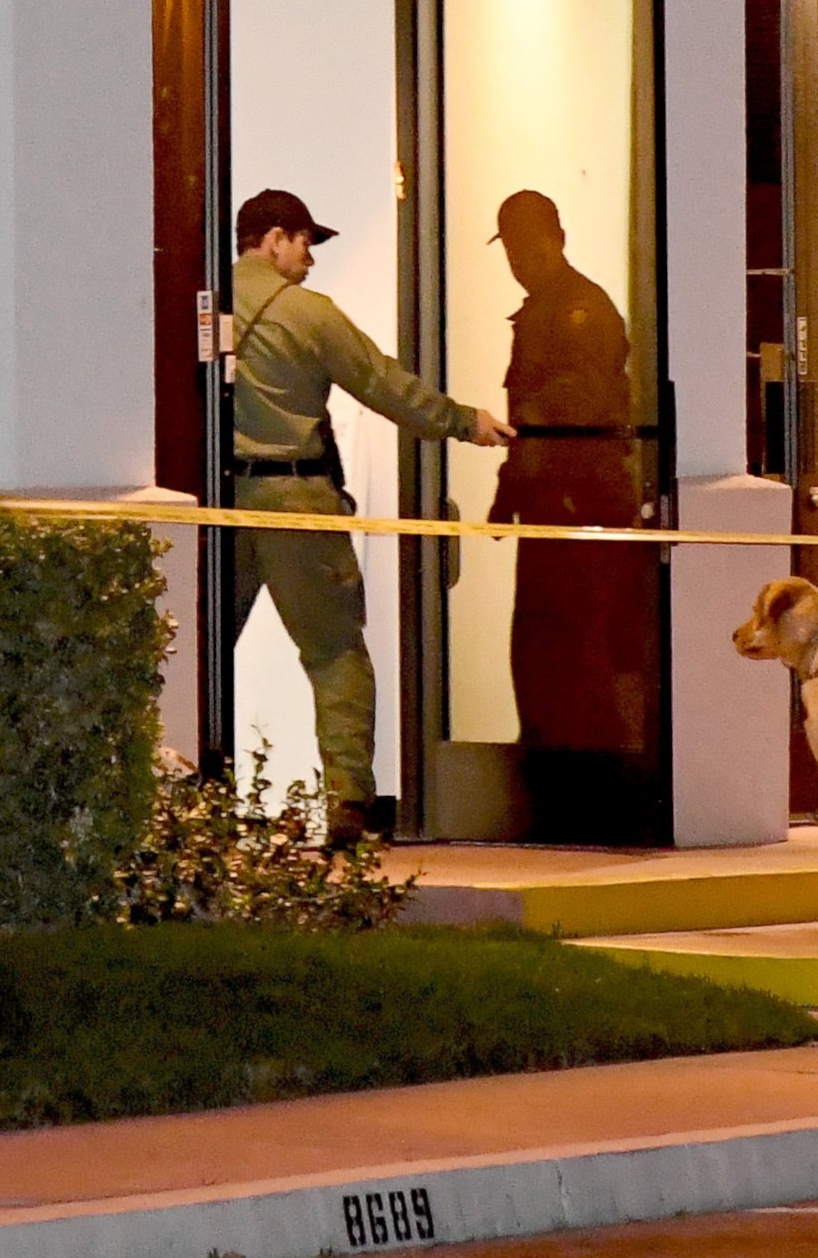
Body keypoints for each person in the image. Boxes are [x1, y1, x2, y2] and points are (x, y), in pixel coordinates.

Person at [224, 188, 513, 850]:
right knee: (335, 656)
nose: (310, 260)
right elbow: (383, 384)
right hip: (300, 505)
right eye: (304, 243)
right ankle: (348, 804)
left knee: (200, 653)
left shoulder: (204, 304)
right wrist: (466, 422)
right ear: (273, 239)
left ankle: (180, 794)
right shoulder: (309, 314)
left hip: (226, 506)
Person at [486, 190, 657, 771]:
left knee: (580, 651)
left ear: (555, 240)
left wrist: (542, 474)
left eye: (523, 246)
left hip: (582, 507)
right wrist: (507, 495)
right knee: (538, 647)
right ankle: (547, 760)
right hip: (545, 505)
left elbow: (581, 410)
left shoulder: (582, 310)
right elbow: (529, 426)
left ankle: (586, 772)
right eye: (507, 247)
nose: (515, 260)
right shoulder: (541, 309)